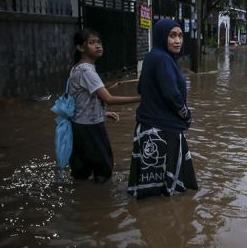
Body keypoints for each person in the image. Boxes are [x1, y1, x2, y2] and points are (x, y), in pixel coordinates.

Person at [128, 19, 198, 199]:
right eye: (172, 36)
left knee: (152, 189)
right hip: (163, 130)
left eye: (180, 36)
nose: (178, 41)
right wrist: (186, 115)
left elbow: (140, 89)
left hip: (149, 128)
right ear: (162, 37)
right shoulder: (163, 59)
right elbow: (172, 95)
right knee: (166, 192)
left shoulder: (154, 56)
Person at [68, 28, 140, 183]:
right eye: (92, 43)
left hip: (78, 125)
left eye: (99, 42)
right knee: (104, 169)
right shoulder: (87, 71)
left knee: (82, 171)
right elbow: (109, 99)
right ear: (81, 48)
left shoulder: (78, 68)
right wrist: (141, 98)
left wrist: (103, 113)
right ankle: (102, 202)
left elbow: (81, 100)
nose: (98, 46)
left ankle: (81, 200)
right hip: (89, 127)